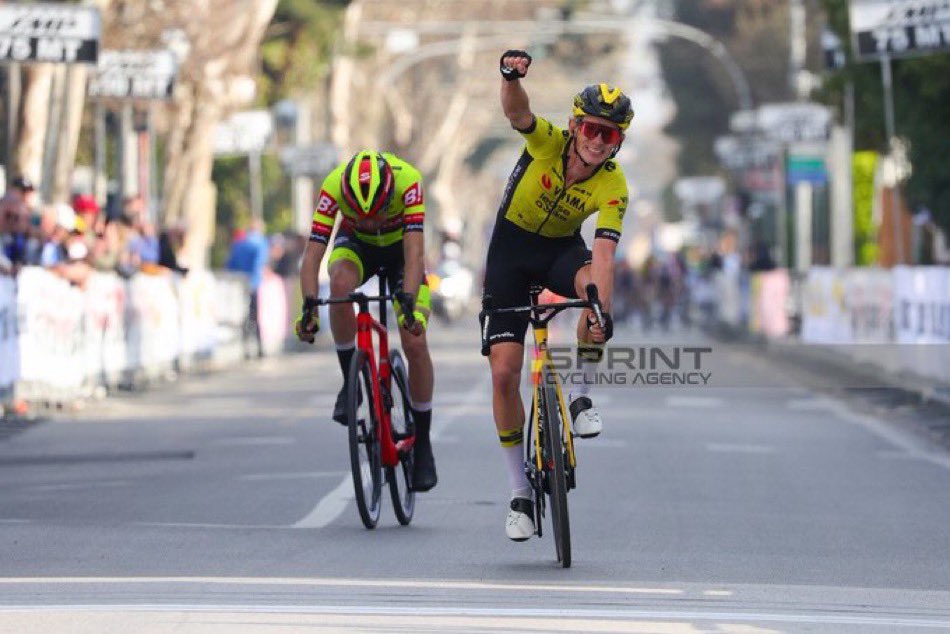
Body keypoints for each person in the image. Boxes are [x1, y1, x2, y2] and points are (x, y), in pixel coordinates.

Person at [483, 50, 633, 540]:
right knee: (505, 373)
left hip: (558, 252)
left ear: (618, 143)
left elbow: (604, 257)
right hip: (510, 250)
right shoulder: (548, 142)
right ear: (574, 126)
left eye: (609, 135)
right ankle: (519, 492)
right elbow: (517, 113)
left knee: (594, 296)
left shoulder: (615, 185)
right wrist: (510, 77)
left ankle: (582, 395)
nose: (597, 141)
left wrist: (600, 314)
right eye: (591, 129)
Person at [294, 150, 438, 493]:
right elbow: (313, 253)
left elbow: (415, 253)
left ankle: (424, 441)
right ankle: (351, 382)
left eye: (376, 214)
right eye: (362, 215)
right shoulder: (333, 186)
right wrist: (309, 308)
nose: (371, 222)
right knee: (340, 286)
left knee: (414, 339)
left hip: (401, 252)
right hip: (357, 248)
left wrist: (408, 302)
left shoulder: (409, 181)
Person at [226, 218, 269, 358]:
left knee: (243, 316)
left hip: (238, 284)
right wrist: (254, 283)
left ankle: (245, 349)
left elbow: (230, 264)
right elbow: (259, 264)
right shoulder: (261, 243)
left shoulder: (239, 243)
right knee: (255, 317)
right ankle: (259, 348)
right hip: (252, 284)